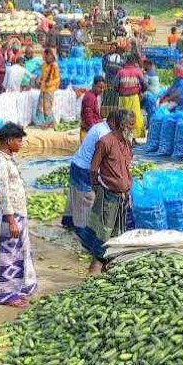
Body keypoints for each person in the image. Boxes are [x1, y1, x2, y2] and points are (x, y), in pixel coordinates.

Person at [0, 123, 36, 308]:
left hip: (18, 214)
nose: (21, 143)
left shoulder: (7, 158)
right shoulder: (0, 163)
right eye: (18, 140)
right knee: (8, 255)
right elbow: (2, 193)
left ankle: (15, 290)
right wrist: (11, 220)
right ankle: (4, 295)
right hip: (10, 216)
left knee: (18, 254)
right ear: (9, 141)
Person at [62, 112, 122, 256]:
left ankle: (68, 222)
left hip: (77, 163)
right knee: (85, 201)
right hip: (85, 169)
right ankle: (83, 236)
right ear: (114, 122)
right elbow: (100, 163)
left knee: (74, 195)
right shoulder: (104, 134)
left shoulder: (100, 125)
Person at [85, 110, 134, 274]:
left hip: (123, 197)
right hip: (109, 195)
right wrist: (97, 187)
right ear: (121, 125)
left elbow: (126, 168)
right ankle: (95, 268)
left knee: (118, 232)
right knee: (104, 232)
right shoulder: (105, 142)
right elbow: (93, 168)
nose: (132, 128)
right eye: (130, 125)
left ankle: (109, 265)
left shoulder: (127, 143)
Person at [117, 55, 146, 140]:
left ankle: (123, 138)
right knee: (135, 116)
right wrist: (140, 91)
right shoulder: (138, 71)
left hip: (123, 98)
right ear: (134, 62)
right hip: (134, 97)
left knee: (123, 117)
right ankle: (133, 138)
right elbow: (144, 84)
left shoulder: (121, 72)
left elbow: (115, 85)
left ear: (126, 61)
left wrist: (120, 90)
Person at [33, 49, 60, 129]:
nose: (43, 57)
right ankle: (43, 123)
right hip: (43, 89)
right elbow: (42, 75)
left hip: (50, 89)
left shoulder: (54, 66)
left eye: (44, 55)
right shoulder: (44, 65)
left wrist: (49, 83)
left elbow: (57, 79)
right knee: (41, 107)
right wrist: (39, 80)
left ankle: (51, 123)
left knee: (47, 107)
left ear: (48, 56)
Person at [80, 76, 106, 140]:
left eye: (103, 88)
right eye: (99, 87)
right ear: (93, 85)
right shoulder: (90, 98)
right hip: (89, 131)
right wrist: (94, 131)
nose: (102, 90)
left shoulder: (93, 96)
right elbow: (88, 117)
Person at [142, 60, 161, 125]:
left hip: (150, 95)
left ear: (148, 65)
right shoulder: (154, 73)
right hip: (156, 95)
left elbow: (144, 85)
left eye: (144, 65)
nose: (143, 66)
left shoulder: (148, 74)